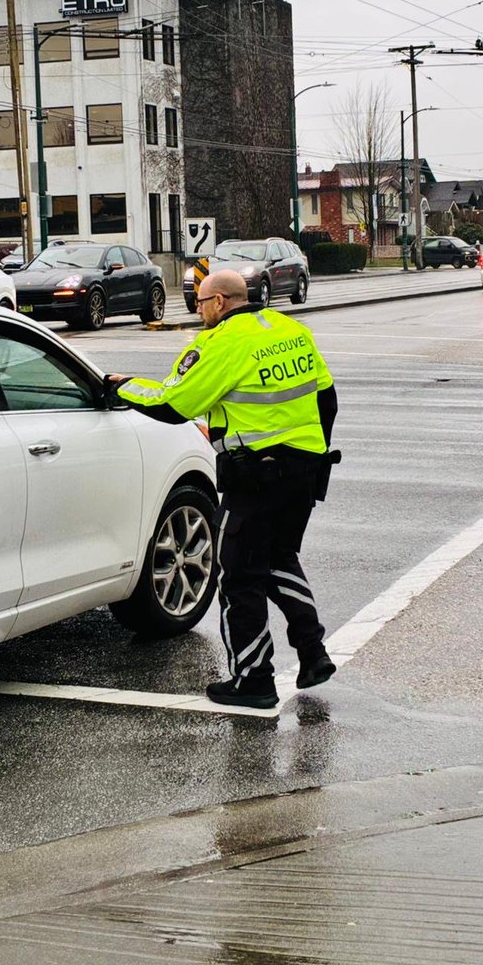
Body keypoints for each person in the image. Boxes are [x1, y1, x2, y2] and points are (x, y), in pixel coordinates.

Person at [108, 269, 338, 710]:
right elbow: (327, 397)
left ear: (219, 302)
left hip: (254, 477)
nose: (197, 310)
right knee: (279, 559)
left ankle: (254, 680)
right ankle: (313, 653)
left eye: (199, 302)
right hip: (304, 470)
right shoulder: (291, 330)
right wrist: (315, 455)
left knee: (237, 577)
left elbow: (174, 404)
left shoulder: (220, 344)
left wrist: (122, 385)